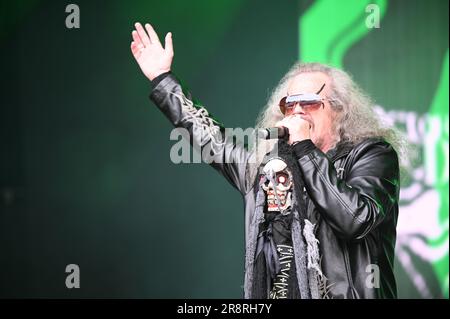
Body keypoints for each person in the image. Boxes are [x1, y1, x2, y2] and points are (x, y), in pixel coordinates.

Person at [130, 22, 404, 299]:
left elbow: (355, 219)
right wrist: (163, 79)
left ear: (338, 109)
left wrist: (305, 147)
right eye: (289, 103)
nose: (297, 110)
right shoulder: (269, 168)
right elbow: (211, 138)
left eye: (308, 101)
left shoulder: (371, 154)